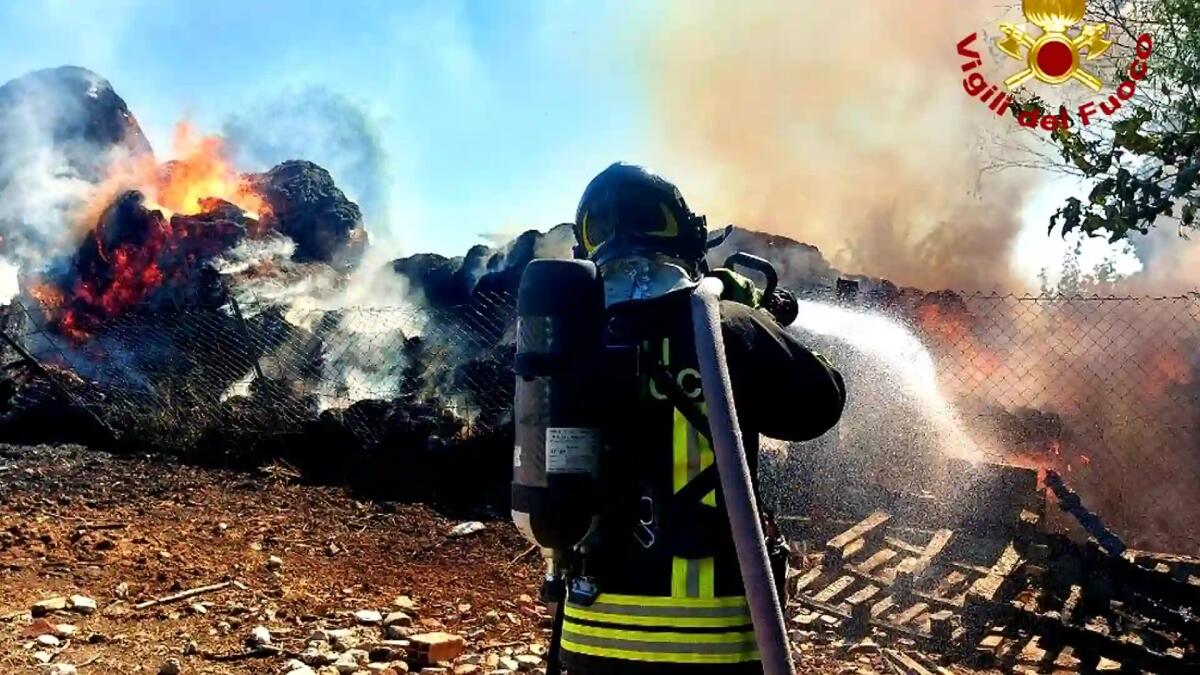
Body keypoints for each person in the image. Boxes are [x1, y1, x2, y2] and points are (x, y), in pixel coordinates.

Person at [559, 162, 846, 674]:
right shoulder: (727, 326)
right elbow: (820, 405)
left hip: (589, 634)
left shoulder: (570, 344)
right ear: (688, 242)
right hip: (711, 642)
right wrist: (754, 320)